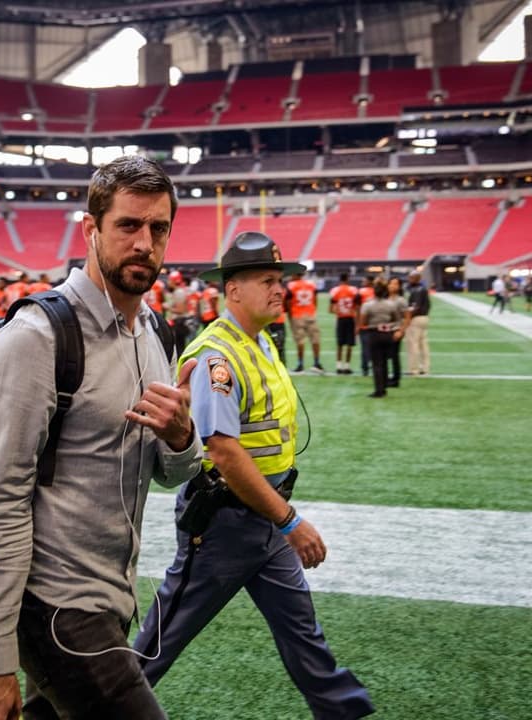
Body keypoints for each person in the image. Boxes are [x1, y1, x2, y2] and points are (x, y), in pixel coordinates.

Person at [0, 155, 202, 720]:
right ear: (91, 229)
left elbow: (172, 473)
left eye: (158, 228)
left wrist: (181, 434)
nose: (145, 243)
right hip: (55, 606)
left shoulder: (153, 331)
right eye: (128, 225)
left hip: (114, 599)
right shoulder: (36, 337)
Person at [132, 231, 375, 719]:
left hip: (262, 517)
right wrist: (289, 521)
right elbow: (223, 451)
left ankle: (345, 713)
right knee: (158, 644)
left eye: (280, 280)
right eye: (267, 280)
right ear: (233, 289)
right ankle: (90, 708)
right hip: (226, 523)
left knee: (306, 640)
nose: (279, 288)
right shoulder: (218, 355)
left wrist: (279, 519)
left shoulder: (260, 341)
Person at [358, 279, 406, 398]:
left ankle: (379, 390)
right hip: (388, 333)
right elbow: (396, 319)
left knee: (377, 363)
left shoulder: (368, 304)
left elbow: (363, 321)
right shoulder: (391, 304)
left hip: (374, 333)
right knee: (385, 361)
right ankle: (384, 385)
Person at [286, 271, 323, 373]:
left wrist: (290, 314)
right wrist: (313, 310)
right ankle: (316, 362)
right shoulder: (311, 284)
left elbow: (288, 302)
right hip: (310, 315)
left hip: (297, 315)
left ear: (295, 275)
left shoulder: (291, 285)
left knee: (300, 341)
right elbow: (315, 299)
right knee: (315, 339)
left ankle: (300, 364)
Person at [329, 273, 358, 374]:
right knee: (350, 344)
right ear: (348, 279)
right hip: (351, 318)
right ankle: (347, 366)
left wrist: (338, 311)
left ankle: (338, 366)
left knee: (340, 344)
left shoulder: (335, 290)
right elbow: (357, 306)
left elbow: (331, 309)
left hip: (341, 319)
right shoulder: (354, 290)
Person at [405, 271, 431, 376]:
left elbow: (415, 307)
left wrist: (408, 318)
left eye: (411, 278)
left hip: (415, 318)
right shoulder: (423, 288)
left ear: (416, 278)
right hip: (424, 318)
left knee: (413, 344)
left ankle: (414, 369)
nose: (409, 279)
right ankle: (425, 368)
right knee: (423, 345)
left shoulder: (416, 290)